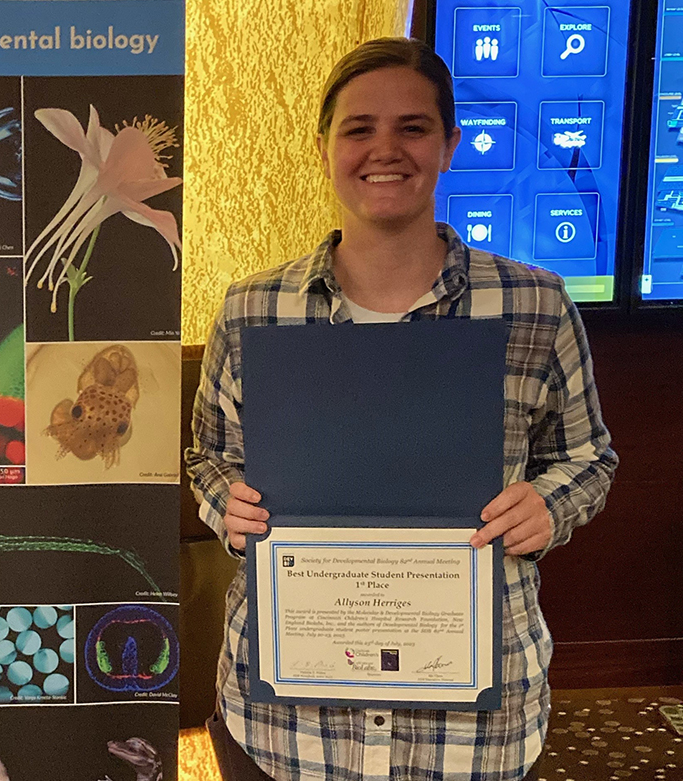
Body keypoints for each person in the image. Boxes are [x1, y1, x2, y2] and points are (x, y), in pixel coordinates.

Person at [185, 37, 617, 781]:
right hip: (286, 727)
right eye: (358, 128)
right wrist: (228, 505)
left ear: (450, 144)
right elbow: (209, 456)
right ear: (323, 148)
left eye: (413, 127)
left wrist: (549, 505)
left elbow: (589, 457)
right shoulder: (254, 308)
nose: (385, 149)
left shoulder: (535, 305)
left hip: (471, 732)